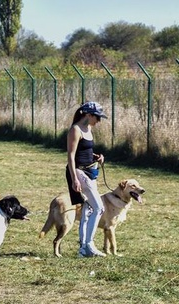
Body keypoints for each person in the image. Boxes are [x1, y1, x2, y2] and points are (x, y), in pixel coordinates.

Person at [66, 101, 108, 258]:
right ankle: (89, 245)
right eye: (97, 117)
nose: (99, 121)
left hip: (91, 171)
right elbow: (71, 155)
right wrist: (74, 178)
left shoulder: (89, 128)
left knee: (88, 210)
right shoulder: (75, 130)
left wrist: (96, 157)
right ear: (88, 115)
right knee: (99, 208)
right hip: (79, 173)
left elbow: (85, 150)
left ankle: (83, 249)